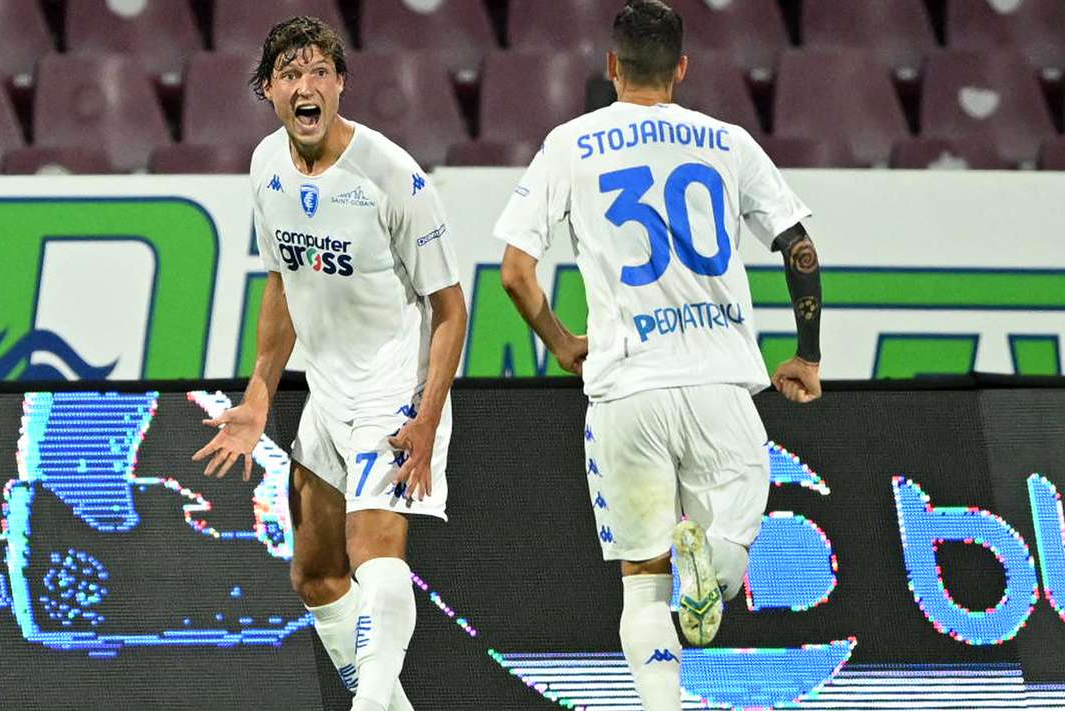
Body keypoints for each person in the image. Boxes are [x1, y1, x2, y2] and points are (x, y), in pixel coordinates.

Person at [493, 1, 823, 709]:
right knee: (729, 545)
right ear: (682, 68)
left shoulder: (570, 143)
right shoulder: (727, 142)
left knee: (642, 584)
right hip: (718, 384)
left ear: (612, 65)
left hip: (627, 390)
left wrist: (563, 343)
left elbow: (515, 273)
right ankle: (715, 565)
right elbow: (799, 246)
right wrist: (807, 355)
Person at [191, 16, 466, 711]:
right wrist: (259, 393)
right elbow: (282, 284)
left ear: (341, 84)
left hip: (395, 389)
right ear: (268, 90)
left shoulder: (392, 176)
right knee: (315, 577)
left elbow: (450, 309)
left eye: (319, 71)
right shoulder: (265, 166)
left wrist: (427, 417)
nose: (305, 85)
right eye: (290, 74)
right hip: (328, 393)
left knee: (375, 551)